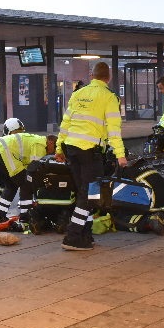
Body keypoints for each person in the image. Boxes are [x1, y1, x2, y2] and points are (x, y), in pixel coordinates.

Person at [55, 61, 127, 250]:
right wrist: (120, 155)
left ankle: (85, 236)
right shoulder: (109, 97)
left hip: (71, 148)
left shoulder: (78, 94)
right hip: (90, 152)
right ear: (108, 77)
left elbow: (65, 123)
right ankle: (72, 237)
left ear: (92, 76)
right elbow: (114, 129)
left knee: (83, 193)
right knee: (89, 195)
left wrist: (58, 149)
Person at [0, 117, 56, 224]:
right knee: (26, 184)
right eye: (54, 149)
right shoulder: (41, 144)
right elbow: (34, 168)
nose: (52, 153)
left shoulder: (35, 140)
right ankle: (25, 217)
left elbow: (27, 165)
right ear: (50, 142)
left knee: (11, 186)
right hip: (3, 153)